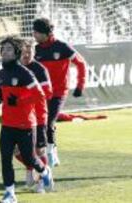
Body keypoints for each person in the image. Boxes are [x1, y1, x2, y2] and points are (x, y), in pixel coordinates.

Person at [0, 37, 54, 203]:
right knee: (5, 158)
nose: (5, 52)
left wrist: (21, 100)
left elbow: (40, 96)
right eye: (3, 49)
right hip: (7, 124)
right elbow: (3, 96)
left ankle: (44, 171)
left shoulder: (25, 73)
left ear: (16, 52)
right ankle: (10, 194)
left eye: (9, 49)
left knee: (30, 158)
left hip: (26, 125)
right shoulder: (1, 74)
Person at [33, 18, 86, 167]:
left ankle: (51, 151)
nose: (34, 34)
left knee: (49, 122)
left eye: (36, 32)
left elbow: (81, 63)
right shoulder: (35, 50)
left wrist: (80, 85)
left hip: (58, 93)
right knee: (41, 123)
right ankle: (47, 150)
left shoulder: (62, 47)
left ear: (46, 33)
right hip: (41, 93)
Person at [16, 39, 53, 192]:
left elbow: (47, 92)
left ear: (34, 53)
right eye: (23, 52)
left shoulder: (40, 70)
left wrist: (23, 99)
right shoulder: (15, 69)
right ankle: (30, 167)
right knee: (15, 150)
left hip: (38, 116)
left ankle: (43, 181)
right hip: (19, 116)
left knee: (39, 150)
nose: (26, 55)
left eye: (29, 52)